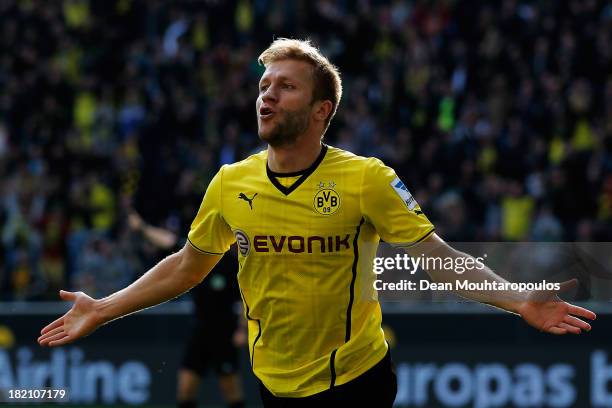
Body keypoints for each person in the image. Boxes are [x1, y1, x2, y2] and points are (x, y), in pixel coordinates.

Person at [38, 39, 596, 407]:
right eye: (263, 86)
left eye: (285, 86)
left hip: (355, 380)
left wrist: (522, 300)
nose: (266, 95)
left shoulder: (365, 179)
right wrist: (104, 307)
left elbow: (436, 259)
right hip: (272, 380)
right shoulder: (231, 183)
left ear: (321, 109)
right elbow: (187, 266)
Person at [127, 211, 246, 408]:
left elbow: (243, 299)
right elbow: (168, 241)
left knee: (231, 391)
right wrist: (142, 228)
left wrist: (242, 329)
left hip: (224, 333)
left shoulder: (232, 264)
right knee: (185, 389)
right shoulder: (198, 253)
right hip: (199, 331)